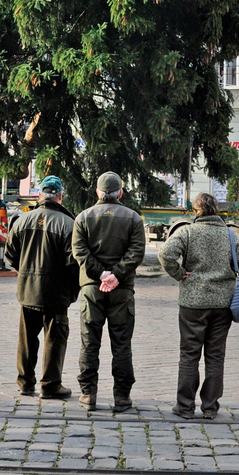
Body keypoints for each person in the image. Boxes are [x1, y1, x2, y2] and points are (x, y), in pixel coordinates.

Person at [158, 192, 239, 419]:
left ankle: (184, 407)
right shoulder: (230, 234)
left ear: (195, 211)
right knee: (215, 355)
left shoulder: (187, 232)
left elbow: (165, 254)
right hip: (223, 304)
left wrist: (180, 274)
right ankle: (210, 407)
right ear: (216, 210)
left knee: (189, 355)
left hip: (193, 303)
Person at [72, 171, 146, 412]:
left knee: (89, 343)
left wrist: (101, 274)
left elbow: (80, 251)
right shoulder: (133, 218)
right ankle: (122, 396)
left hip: (92, 288)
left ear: (98, 193)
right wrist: (116, 274)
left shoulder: (83, 217)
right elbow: (136, 252)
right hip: (122, 290)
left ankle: (88, 394)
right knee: (122, 344)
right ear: (120, 193)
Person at [4, 174, 78, 399]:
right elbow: (73, 262)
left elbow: (11, 256)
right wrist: (72, 288)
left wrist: (26, 271)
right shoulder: (69, 224)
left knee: (26, 339)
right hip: (56, 292)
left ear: (39, 195)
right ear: (60, 196)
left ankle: (25, 383)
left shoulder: (22, 220)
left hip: (28, 290)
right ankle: (51, 384)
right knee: (55, 339)